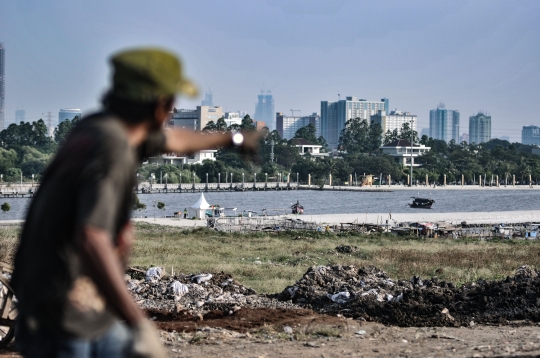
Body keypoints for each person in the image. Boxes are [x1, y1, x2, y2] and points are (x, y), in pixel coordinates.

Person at [11, 48, 259, 357]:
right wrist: (138, 321)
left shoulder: (104, 127)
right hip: (63, 318)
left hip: (87, 310)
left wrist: (232, 139)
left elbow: (175, 140)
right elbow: (92, 238)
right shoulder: (111, 149)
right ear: (161, 105)